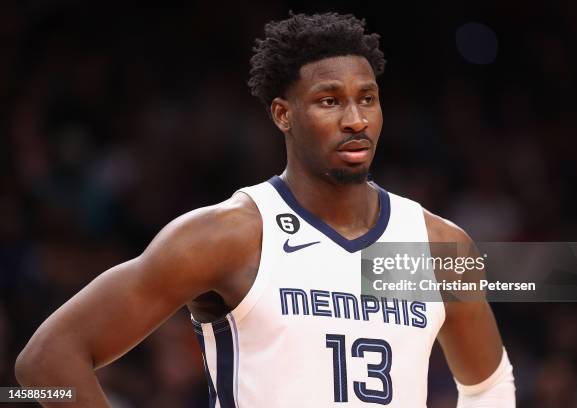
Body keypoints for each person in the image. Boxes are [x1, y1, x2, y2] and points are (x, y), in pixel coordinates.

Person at [15, 11, 515, 407]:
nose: (356, 119)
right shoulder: (228, 237)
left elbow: (488, 386)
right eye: (329, 101)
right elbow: (44, 363)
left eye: (368, 99)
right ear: (283, 114)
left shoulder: (436, 245)